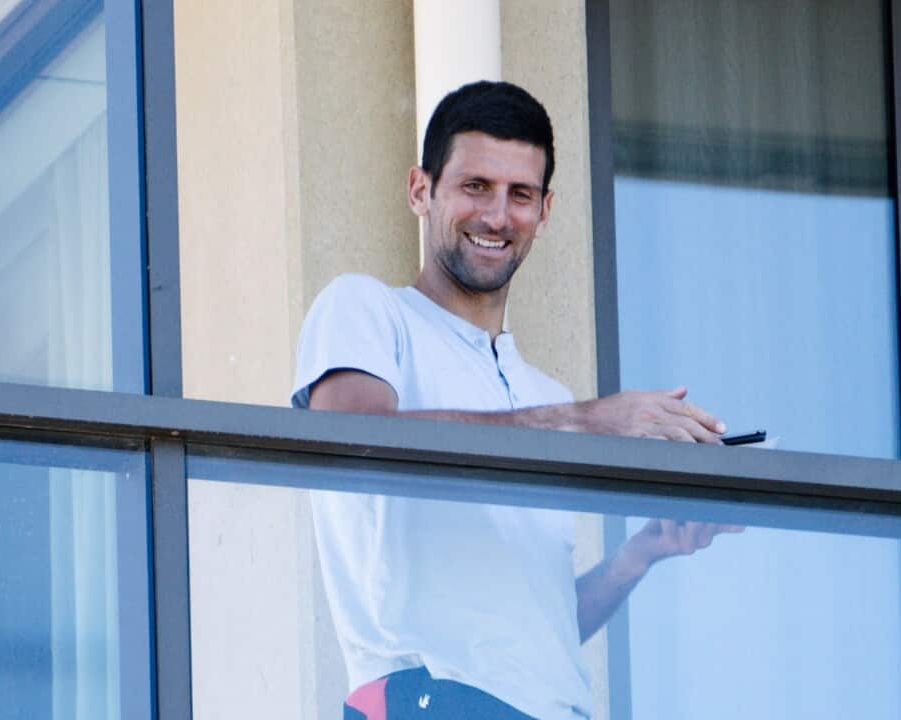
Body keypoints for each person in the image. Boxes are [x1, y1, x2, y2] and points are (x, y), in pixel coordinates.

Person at [292, 80, 737, 720]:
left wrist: (637, 556)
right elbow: (352, 434)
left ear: (545, 210)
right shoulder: (366, 309)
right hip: (429, 696)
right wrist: (585, 420)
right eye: (476, 187)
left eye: (519, 194)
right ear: (422, 191)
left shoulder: (541, 394)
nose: (498, 216)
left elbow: (536, 629)